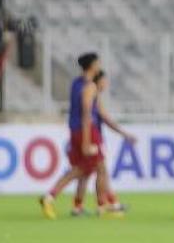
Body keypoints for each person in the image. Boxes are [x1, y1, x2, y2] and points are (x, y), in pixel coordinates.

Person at [40, 53, 105, 219]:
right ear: (92, 65)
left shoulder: (76, 83)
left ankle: (78, 206)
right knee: (92, 168)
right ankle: (51, 197)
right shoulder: (90, 86)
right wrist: (86, 140)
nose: (99, 66)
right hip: (86, 131)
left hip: (75, 129)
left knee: (85, 170)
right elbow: (86, 113)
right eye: (97, 63)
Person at [71, 70, 135, 217]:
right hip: (91, 136)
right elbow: (100, 118)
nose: (106, 83)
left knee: (89, 171)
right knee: (99, 169)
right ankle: (103, 204)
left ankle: (81, 205)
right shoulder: (91, 94)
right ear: (98, 81)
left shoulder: (93, 96)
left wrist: (124, 134)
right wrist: (87, 141)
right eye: (105, 80)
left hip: (89, 135)